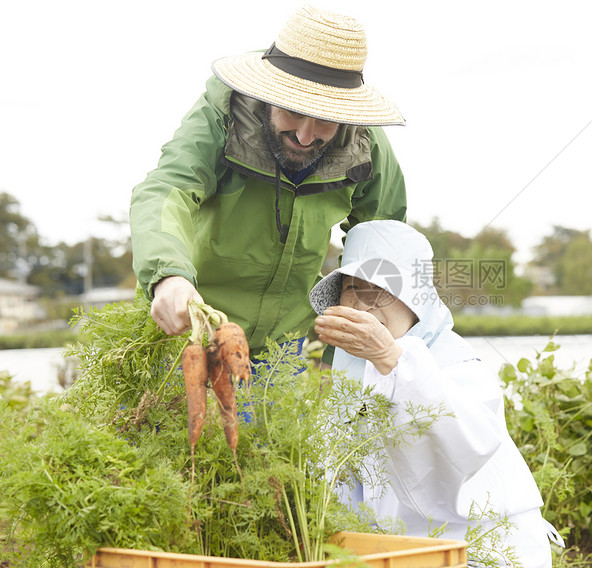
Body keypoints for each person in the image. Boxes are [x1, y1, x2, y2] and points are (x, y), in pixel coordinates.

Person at [130, 5, 407, 352]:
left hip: (282, 348)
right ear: (269, 94)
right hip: (192, 330)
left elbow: (383, 239)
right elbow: (167, 190)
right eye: (294, 112)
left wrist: (353, 341)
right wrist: (168, 275)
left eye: (324, 121)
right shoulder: (221, 117)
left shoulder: (366, 145)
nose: (306, 137)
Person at [310, 220, 561, 567]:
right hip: (397, 553)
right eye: (353, 287)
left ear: (416, 300)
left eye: (381, 288)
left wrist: (390, 357)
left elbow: (460, 452)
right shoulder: (350, 371)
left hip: (481, 554)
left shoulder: (459, 367)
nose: (364, 305)